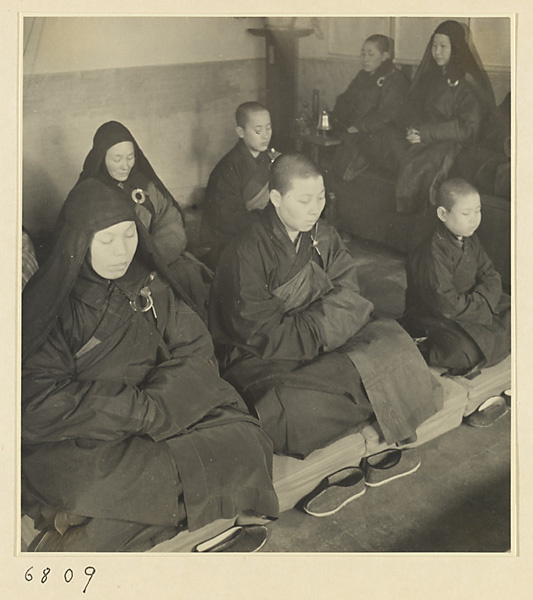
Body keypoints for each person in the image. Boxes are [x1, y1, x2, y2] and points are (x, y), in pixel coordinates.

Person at [21, 178, 279, 552]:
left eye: (128, 235)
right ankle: (204, 507)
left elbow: (195, 348)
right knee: (94, 484)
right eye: (105, 240)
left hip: (170, 410)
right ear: (78, 242)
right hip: (96, 436)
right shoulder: (53, 306)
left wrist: (159, 405)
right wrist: (139, 411)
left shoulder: (147, 284)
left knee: (246, 437)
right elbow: (39, 401)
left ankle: (97, 529)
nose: (121, 251)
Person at [209, 153, 441, 463]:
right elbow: (258, 330)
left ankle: (359, 401)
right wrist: (320, 331)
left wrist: (322, 332)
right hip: (267, 353)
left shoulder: (322, 234)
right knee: (286, 407)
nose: (315, 208)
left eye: (320, 197)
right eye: (304, 200)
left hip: (328, 336)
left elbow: (349, 292)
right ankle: (377, 404)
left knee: (396, 344)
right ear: (276, 198)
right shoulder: (246, 252)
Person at [73, 120, 212, 320]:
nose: (125, 165)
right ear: (101, 158)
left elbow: (169, 220)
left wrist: (155, 258)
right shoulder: (89, 193)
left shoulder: (144, 186)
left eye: (130, 157)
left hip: (156, 260)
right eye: (117, 159)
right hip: (113, 269)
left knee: (189, 275)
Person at [404, 178, 511, 375]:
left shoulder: (469, 237)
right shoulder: (432, 250)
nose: (474, 219)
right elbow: (444, 303)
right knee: (464, 352)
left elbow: (491, 274)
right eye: (466, 213)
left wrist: (481, 304)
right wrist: (483, 306)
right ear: (443, 214)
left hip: (471, 304)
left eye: (478, 210)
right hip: (434, 314)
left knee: (520, 312)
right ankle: (423, 345)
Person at [394, 20, 497, 213]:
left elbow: (469, 128)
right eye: (434, 45)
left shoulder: (468, 81)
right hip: (428, 137)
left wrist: (425, 134)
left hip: (455, 142)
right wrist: (412, 128)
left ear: (455, 48)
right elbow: (413, 106)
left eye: (443, 46)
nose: (437, 52)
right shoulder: (431, 75)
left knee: (420, 166)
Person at [200, 102, 278, 270]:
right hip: (234, 240)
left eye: (268, 128)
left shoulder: (272, 160)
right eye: (258, 131)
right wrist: (270, 225)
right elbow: (230, 218)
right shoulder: (227, 169)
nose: (265, 136)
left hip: (265, 228)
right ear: (240, 132)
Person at [329, 34, 409, 182]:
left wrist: (360, 126)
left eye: (371, 54)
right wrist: (338, 117)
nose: (365, 58)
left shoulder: (395, 79)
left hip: (384, 137)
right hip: (359, 129)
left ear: (385, 56)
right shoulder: (363, 75)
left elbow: (388, 115)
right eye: (363, 53)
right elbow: (346, 99)